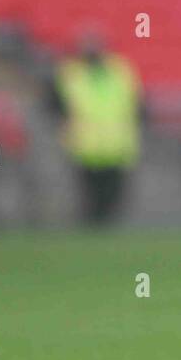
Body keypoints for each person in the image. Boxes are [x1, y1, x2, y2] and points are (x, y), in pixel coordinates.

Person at [47, 31, 143, 226]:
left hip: (117, 144)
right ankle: (92, 226)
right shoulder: (70, 73)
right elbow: (54, 104)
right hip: (85, 145)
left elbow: (137, 102)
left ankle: (105, 227)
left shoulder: (120, 70)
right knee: (89, 194)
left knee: (113, 194)